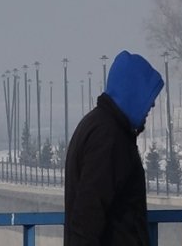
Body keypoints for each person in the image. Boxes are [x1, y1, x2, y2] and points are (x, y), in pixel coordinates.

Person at [64, 50, 164, 246]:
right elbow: (88, 215)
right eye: (147, 95)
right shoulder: (109, 137)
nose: (152, 104)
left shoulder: (100, 125)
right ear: (132, 92)